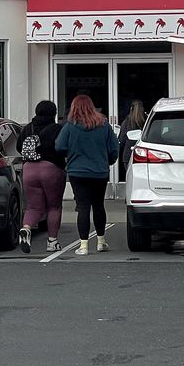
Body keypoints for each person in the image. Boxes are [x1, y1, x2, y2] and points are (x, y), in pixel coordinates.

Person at [55, 94, 119, 255]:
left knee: (83, 207)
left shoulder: (70, 126)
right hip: (99, 171)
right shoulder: (104, 125)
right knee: (98, 206)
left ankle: (83, 245)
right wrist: (108, 161)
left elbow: (59, 146)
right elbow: (113, 149)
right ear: (92, 107)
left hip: (77, 171)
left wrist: (70, 153)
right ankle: (101, 241)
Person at [16, 100, 67, 253]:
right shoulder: (57, 129)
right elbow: (62, 148)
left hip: (28, 169)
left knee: (33, 207)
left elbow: (20, 147)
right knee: (54, 207)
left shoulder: (27, 128)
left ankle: (26, 229)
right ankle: (52, 242)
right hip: (51, 169)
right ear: (54, 113)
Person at [117, 100, 146, 182]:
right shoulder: (146, 122)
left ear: (131, 109)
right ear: (142, 109)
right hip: (142, 155)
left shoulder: (126, 122)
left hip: (128, 155)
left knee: (131, 180)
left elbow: (121, 141)